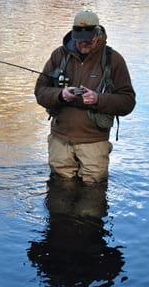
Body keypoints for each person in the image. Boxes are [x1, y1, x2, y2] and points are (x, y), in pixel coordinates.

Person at [35, 10, 136, 184]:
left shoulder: (113, 60)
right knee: (59, 195)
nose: (83, 44)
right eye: (79, 40)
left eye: (88, 39)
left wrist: (98, 99)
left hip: (94, 144)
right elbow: (40, 92)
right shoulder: (59, 56)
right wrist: (61, 95)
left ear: (98, 34)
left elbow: (128, 102)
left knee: (91, 204)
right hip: (60, 141)